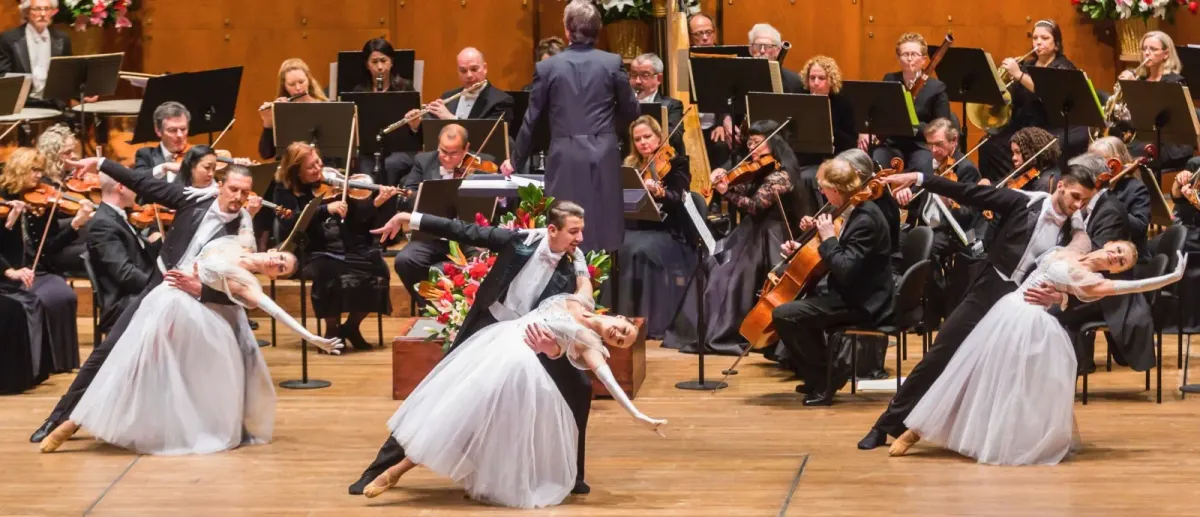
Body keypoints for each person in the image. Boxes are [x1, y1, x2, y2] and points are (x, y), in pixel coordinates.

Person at [351, 200, 596, 496]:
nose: (580, 238)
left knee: (579, 387)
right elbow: (463, 231)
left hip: (529, 340)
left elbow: (579, 303)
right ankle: (376, 471)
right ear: (552, 230)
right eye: (574, 231)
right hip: (486, 329)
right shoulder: (519, 242)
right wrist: (409, 217)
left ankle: (573, 475)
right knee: (439, 395)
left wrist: (580, 273)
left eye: (581, 231)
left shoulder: (570, 268)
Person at [858, 157, 1097, 450]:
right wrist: (920, 178)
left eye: (1085, 201)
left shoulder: (1074, 231)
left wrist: (1062, 293)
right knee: (940, 356)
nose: (1078, 205)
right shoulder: (1024, 202)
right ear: (1060, 186)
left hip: (1022, 304)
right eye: (1075, 196)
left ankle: (989, 438)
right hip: (988, 290)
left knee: (1000, 372)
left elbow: (1082, 269)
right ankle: (885, 426)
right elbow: (969, 192)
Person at [28, 156, 262, 444]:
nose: (238, 197)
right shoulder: (192, 200)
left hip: (199, 302)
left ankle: (226, 424)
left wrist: (200, 290)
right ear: (221, 185)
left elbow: (238, 286)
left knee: (236, 352)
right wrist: (101, 163)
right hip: (157, 289)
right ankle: (58, 418)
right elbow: (141, 182)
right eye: (233, 189)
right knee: (108, 351)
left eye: (244, 192)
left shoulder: (241, 230)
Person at [39, 236, 343, 455]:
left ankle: (77, 421)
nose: (276, 263)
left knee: (155, 369)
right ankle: (78, 419)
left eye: (281, 269)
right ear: (274, 250)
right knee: (129, 360)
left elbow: (274, 311)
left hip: (192, 318)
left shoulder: (248, 283)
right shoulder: (237, 242)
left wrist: (310, 336)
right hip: (163, 300)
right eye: (280, 258)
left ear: (274, 276)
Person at [361, 293, 665, 507]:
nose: (617, 335)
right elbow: (580, 264)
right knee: (456, 411)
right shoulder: (582, 298)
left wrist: (636, 414)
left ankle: (394, 472)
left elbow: (608, 380)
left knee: (470, 417)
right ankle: (398, 471)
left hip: (516, 366)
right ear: (620, 317)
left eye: (620, 341)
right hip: (496, 344)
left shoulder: (590, 344)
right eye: (623, 330)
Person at [890, 243, 1183, 465]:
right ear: (1109, 244)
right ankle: (916, 430)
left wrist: (1169, 278)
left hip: (1031, 323)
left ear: (1117, 270)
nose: (1115, 257)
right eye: (1118, 251)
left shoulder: (1092, 281)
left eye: (1121, 262)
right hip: (1008, 308)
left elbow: (1127, 288)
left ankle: (997, 439)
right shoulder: (1075, 247)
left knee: (1013, 385)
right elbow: (1074, 219)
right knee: (972, 368)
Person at [502, 0, 639, 253]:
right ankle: (604, 278)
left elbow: (532, 119)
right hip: (603, 155)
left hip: (564, 156)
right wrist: (607, 132)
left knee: (565, 228)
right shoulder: (612, 62)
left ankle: (566, 277)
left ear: (567, 30)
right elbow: (632, 110)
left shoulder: (547, 67)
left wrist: (515, 160)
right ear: (598, 30)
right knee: (604, 231)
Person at [663, 119, 801, 355]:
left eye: (757, 143)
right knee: (711, 261)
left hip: (769, 235)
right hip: (749, 232)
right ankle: (698, 330)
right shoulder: (758, 169)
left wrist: (727, 192)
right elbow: (744, 193)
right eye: (750, 143)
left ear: (774, 143)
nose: (751, 148)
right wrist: (725, 180)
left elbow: (755, 206)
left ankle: (725, 331)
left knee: (725, 273)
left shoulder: (783, 175)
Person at [771, 158, 895, 405]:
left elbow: (845, 269)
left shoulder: (865, 220)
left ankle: (826, 379)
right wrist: (801, 250)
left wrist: (828, 238)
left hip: (864, 303)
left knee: (785, 315)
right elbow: (841, 257)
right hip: (852, 293)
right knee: (799, 308)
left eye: (824, 188)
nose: (821, 192)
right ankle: (822, 375)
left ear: (837, 190)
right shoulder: (853, 209)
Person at [273, 142, 400, 350]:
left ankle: (351, 327)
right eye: (311, 167)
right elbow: (291, 222)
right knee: (328, 271)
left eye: (318, 162)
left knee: (378, 269)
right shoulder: (284, 190)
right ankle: (331, 330)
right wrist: (325, 209)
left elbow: (358, 219)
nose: (318, 169)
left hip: (345, 245)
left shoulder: (333, 183)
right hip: (310, 249)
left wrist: (376, 203)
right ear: (296, 171)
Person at [0, 148, 92, 376]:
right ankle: (34, 365)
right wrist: (9, 224)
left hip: (38, 268)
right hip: (8, 270)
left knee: (63, 295)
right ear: (19, 169)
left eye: (41, 170)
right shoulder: (4, 198)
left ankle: (59, 363)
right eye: (34, 170)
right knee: (38, 300)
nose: (39, 175)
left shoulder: (42, 202)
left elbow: (50, 247)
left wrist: (75, 224)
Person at [614, 115, 696, 338]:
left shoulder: (677, 164)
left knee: (641, 251)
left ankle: (649, 319)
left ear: (659, 137)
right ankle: (621, 314)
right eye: (637, 139)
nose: (643, 142)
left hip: (669, 230)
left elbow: (678, 197)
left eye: (647, 137)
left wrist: (659, 192)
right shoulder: (631, 165)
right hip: (640, 226)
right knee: (617, 246)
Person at [393, 124, 491, 307]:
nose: (447, 158)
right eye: (443, 151)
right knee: (405, 260)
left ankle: (466, 311)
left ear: (466, 148)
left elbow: (495, 204)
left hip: (467, 237)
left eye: (454, 153)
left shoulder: (484, 164)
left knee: (483, 262)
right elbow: (405, 198)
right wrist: (424, 196)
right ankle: (433, 308)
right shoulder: (423, 161)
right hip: (431, 235)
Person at [977, 19, 1086, 181]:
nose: (1038, 42)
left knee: (1022, 147)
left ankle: (1024, 182)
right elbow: (1014, 97)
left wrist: (1018, 75)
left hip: (1050, 127)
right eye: (1035, 38)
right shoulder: (1027, 65)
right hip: (1024, 124)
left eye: (1045, 38)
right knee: (988, 145)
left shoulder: (1062, 67)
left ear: (1056, 44)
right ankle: (1001, 186)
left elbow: (1048, 94)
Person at [865, 33, 952, 174]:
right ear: (898, 58)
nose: (910, 59)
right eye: (905, 54)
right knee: (878, 160)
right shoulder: (890, 79)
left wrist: (912, 125)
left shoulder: (936, 88)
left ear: (924, 60)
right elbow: (877, 111)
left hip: (920, 145)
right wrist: (867, 130)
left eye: (914, 54)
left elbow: (943, 126)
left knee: (922, 165)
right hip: (892, 143)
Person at [87, 172, 160, 334]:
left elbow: (138, 254)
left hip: (135, 291)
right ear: (120, 188)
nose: (136, 189)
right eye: (132, 184)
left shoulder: (117, 215)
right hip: (123, 302)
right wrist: (157, 287)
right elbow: (124, 273)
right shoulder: (102, 224)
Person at [1121, 31, 1193, 172]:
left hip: (1170, 145)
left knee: (1127, 154)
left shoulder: (1174, 82)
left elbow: (1154, 115)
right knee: (1113, 147)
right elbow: (1135, 121)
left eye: (1153, 49)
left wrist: (1135, 89)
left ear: (1166, 54)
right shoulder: (1141, 80)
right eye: (1144, 49)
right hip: (1145, 140)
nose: (1147, 53)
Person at [403, 47, 514, 133]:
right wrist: (417, 125)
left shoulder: (501, 101)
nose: (469, 75)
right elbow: (433, 135)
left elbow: (491, 136)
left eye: (474, 69)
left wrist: (451, 119)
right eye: (463, 71)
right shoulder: (448, 96)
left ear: (485, 68)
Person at [0, 0, 73, 108]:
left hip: (54, 104)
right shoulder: (9, 39)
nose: (43, 14)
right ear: (26, 12)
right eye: (37, 9)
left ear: (52, 12)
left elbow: (69, 74)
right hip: (23, 105)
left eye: (47, 9)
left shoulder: (62, 39)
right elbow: (3, 75)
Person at [258, 58, 329, 161]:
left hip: (320, 165)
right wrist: (268, 123)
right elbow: (266, 154)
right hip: (290, 167)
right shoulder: (281, 109)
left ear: (309, 80)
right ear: (285, 86)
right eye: (292, 84)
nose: (298, 88)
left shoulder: (325, 107)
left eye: (301, 82)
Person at [628, 53, 685, 149]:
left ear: (659, 78)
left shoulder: (673, 105)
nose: (637, 81)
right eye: (634, 75)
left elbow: (675, 137)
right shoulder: (623, 104)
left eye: (645, 75)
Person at [133, 102, 192, 183]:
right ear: (158, 130)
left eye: (183, 129)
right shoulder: (146, 155)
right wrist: (163, 168)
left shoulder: (197, 155)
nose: (180, 135)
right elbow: (138, 179)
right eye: (172, 130)